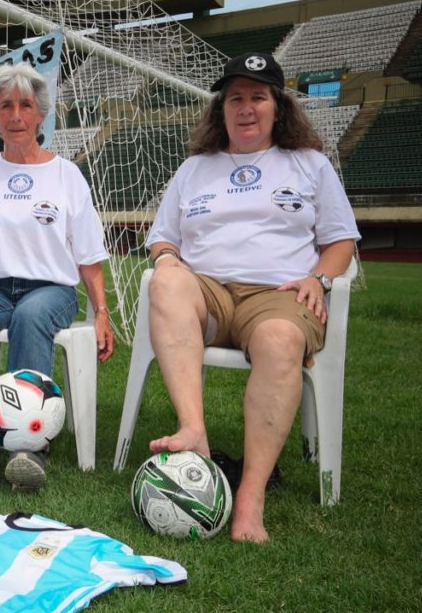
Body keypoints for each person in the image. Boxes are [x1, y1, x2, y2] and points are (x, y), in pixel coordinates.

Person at [145, 52, 360, 542]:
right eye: (235, 98)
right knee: (165, 280)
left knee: (281, 339)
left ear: (278, 108)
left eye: (258, 97)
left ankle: (250, 496)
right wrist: (167, 258)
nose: (246, 108)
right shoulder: (195, 168)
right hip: (209, 292)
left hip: (280, 292)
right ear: (220, 110)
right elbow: (162, 239)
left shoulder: (309, 164)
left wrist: (319, 279)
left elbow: (341, 241)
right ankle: (193, 431)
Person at [0, 63, 115, 492]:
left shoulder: (66, 176)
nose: (15, 115)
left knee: (31, 317)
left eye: (25, 106)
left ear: (41, 115)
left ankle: (28, 444)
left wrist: (102, 311)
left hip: (50, 288)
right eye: (6, 106)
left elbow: (89, 255)